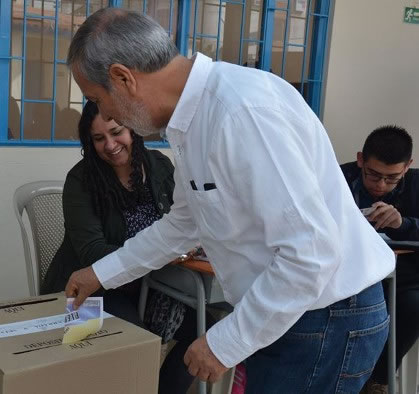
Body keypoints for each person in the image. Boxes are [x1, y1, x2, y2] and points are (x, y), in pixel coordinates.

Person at [63, 8, 395, 393]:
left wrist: (226, 342)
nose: (102, 113)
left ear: (123, 78)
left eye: (97, 99)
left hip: (324, 319)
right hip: (293, 313)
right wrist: (100, 273)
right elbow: (182, 224)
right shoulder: (192, 120)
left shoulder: (240, 112)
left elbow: (312, 253)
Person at [41, 100, 200, 394]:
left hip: (151, 286)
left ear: (133, 130)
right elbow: (92, 253)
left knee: (206, 330)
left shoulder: (159, 166)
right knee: (132, 343)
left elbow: (184, 222)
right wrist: (160, 255)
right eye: (99, 139)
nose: (111, 145)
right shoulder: (81, 180)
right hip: (88, 291)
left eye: (116, 133)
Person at [341, 125, 418, 394]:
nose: (381, 185)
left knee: (412, 304)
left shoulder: (417, 185)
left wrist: (403, 223)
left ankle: (378, 381)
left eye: (392, 178)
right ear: (361, 159)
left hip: (405, 279)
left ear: (407, 166)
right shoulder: (339, 179)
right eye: (373, 175)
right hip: (350, 275)